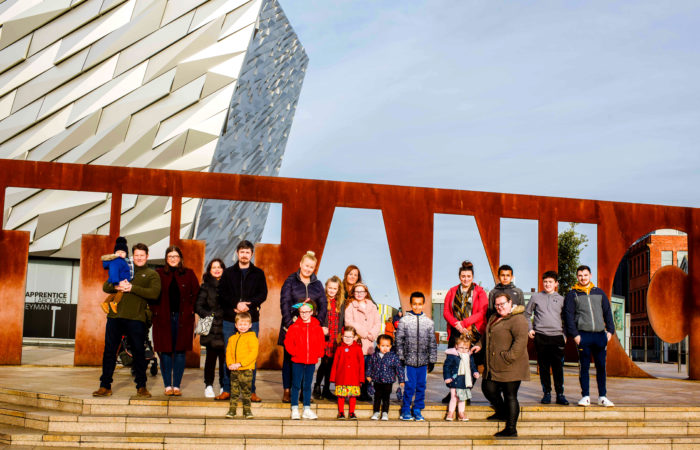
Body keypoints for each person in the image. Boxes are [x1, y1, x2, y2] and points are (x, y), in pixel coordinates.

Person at [93, 242, 161, 398]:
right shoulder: (124, 266)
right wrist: (116, 286)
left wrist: (132, 288)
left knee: (138, 352)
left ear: (147, 256)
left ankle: (141, 386)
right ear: (133, 255)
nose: (139, 258)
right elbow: (105, 286)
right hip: (115, 317)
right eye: (136, 255)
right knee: (109, 352)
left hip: (137, 318)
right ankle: (105, 386)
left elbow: (154, 294)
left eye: (142, 255)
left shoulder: (152, 274)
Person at [472, 293, 529, 437]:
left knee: (510, 395)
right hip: (494, 365)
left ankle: (511, 428)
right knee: (488, 388)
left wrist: (508, 357)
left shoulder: (518, 319)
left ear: (510, 303)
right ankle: (502, 412)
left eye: (503, 304)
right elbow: (486, 335)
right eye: (497, 304)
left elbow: (521, 342)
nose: (500, 307)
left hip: (511, 365)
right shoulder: (493, 317)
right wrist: (479, 344)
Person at [217, 240, 268, 401]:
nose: (244, 255)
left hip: (251, 320)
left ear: (251, 254)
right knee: (229, 354)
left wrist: (249, 305)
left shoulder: (258, 273)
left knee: (250, 355)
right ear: (237, 253)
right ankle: (227, 389)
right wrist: (235, 304)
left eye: (247, 252)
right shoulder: (228, 273)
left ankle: (250, 390)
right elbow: (222, 293)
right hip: (230, 320)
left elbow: (263, 294)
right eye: (242, 252)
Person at [563, 265, 616, 407]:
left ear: (590, 276)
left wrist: (610, 331)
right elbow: (568, 316)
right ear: (577, 277)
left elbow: (607, 312)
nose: (583, 278)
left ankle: (602, 397)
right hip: (583, 336)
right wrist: (575, 335)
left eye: (585, 275)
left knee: (601, 367)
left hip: (600, 335)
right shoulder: (572, 294)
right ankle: (585, 396)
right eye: (580, 275)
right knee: (584, 367)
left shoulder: (599, 292)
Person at [278, 251, 327, 403]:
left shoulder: (317, 284)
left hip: (309, 328)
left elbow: (323, 304)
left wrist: (316, 322)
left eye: (311, 267)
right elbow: (285, 303)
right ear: (300, 264)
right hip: (292, 325)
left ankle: (304, 392)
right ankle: (288, 391)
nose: (308, 269)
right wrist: (289, 324)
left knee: (307, 361)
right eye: (306, 266)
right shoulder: (290, 281)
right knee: (289, 359)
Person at [152, 246, 200, 396]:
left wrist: (191, 310)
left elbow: (196, 295)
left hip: (183, 319)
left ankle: (177, 385)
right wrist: (155, 312)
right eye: (170, 256)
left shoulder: (189, 274)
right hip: (163, 318)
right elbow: (152, 294)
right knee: (165, 351)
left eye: (176, 256)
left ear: (180, 258)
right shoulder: (159, 273)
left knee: (180, 352)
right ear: (166, 259)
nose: (173, 259)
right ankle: (167, 385)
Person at [442, 260, 488, 403]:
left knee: (469, 364)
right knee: (454, 363)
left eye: (468, 276)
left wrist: (465, 323)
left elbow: (482, 311)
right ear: (459, 277)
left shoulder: (479, 291)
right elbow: (446, 311)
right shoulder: (452, 291)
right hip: (456, 332)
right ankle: (453, 393)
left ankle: (465, 393)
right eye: (463, 276)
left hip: (473, 332)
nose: (466, 279)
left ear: (472, 277)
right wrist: (456, 324)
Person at [525, 270, 569, 405]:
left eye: (550, 282)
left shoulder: (562, 299)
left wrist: (565, 335)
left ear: (556, 284)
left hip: (557, 337)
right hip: (541, 336)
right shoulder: (536, 297)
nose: (547, 284)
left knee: (558, 367)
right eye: (545, 282)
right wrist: (530, 328)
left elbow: (566, 319)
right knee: (543, 367)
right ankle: (547, 393)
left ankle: (560, 394)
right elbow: (526, 314)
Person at [395, 292, 437, 422]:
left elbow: (432, 342)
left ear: (423, 304)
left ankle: (418, 408)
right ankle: (406, 408)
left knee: (421, 385)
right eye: (414, 304)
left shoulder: (428, 322)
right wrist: (401, 357)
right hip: (409, 362)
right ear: (411, 304)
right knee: (410, 385)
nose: (417, 307)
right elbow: (399, 340)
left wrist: (432, 359)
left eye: (419, 304)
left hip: (423, 362)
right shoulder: (404, 321)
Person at [284, 301, 325, 420]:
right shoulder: (294, 327)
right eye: (302, 312)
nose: (304, 314)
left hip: (311, 360)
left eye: (307, 312)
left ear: (312, 312)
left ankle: (307, 408)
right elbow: (288, 342)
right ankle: (295, 408)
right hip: (297, 360)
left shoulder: (317, 327)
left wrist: (318, 354)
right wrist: (294, 352)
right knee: (296, 384)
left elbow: (321, 342)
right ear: (299, 312)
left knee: (307, 385)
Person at [343, 282, 381, 401]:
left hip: (369, 344)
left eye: (362, 292)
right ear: (353, 293)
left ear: (366, 293)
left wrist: (372, 334)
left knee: (368, 369)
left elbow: (377, 322)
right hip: (358, 343)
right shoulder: (350, 306)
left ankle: (365, 391)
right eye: (357, 291)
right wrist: (364, 333)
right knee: (356, 369)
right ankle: (355, 392)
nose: (359, 294)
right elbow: (349, 322)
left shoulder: (372, 306)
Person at [195, 258, 227, 398]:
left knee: (225, 359)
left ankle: (223, 386)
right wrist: (210, 315)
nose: (217, 269)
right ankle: (208, 385)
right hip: (211, 328)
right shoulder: (205, 286)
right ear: (209, 270)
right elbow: (198, 306)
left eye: (219, 267)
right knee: (210, 359)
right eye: (214, 267)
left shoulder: (228, 285)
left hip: (225, 326)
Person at [313, 276, 344, 401]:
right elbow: (316, 317)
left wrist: (341, 335)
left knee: (331, 364)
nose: (332, 290)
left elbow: (342, 320)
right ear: (326, 287)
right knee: (324, 362)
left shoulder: (340, 302)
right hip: (325, 336)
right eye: (330, 288)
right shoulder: (321, 300)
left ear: (338, 289)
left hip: (336, 337)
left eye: (334, 288)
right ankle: (316, 386)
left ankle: (326, 389)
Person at [224, 311, 258, 419]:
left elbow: (253, 354)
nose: (242, 327)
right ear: (236, 325)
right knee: (234, 391)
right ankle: (232, 410)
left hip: (246, 369)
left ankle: (247, 411)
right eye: (240, 324)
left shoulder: (252, 337)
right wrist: (230, 364)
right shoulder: (232, 338)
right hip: (234, 369)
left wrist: (240, 364)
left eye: (245, 324)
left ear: (250, 325)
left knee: (246, 391)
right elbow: (228, 352)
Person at [365, 334, 404, 421]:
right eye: (383, 346)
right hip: (377, 380)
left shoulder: (393, 357)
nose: (385, 348)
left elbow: (399, 368)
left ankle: (385, 412)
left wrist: (401, 379)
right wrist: (368, 375)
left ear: (390, 346)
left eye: (387, 346)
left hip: (388, 381)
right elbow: (370, 366)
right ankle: (376, 411)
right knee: (377, 396)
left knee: (386, 397)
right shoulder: (374, 356)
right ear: (378, 346)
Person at [330, 326, 364, 419]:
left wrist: (361, 378)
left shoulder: (358, 348)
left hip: (354, 377)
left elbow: (361, 364)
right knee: (341, 395)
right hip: (341, 377)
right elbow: (335, 364)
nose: (347, 339)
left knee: (353, 396)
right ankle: (341, 412)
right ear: (342, 337)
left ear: (354, 337)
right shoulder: (339, 348)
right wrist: (333, 377)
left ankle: (352, 412)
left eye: (350, 337)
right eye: (345, 336)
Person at [443, 335, 479, 421]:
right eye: (461, 347)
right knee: (454, 396)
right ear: (456, 346)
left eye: (466, 348)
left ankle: (461, 413)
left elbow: (472, 366)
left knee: (462, 398)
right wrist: (447, 377)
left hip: (464, 380)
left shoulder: (469, 356)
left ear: (469, 348)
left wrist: (475, 372)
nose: (463, 350)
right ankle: (450, 412)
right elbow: (446, 367)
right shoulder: (452, 355)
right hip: (454, 379)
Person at [100, 236, 133, 314]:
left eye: (123, 252)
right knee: (120, 291)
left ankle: (106, 303)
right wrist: (116, 282)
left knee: (116, 293)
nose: (120, 254)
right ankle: (114, 303)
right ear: (114, 254)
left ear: (126, 254)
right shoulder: (116, 261)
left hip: (122, 280)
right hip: (118, 280)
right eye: (118, 252)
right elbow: (114, 272)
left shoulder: (125, 261)